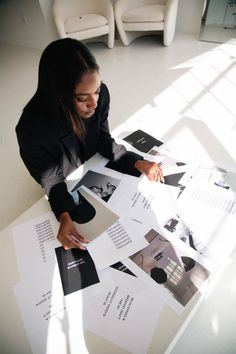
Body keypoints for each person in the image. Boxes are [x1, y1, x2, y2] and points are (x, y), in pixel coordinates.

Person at [16, 38, 164, 250]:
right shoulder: (31, 129)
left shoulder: (101, 96)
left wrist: (136, 161)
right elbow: (51, 178)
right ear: (58, 95)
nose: (94, 103)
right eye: (82, 97)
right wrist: (64, 215)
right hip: (68, 178)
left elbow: (103, 139)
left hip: (94, 168)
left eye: (96, 91)